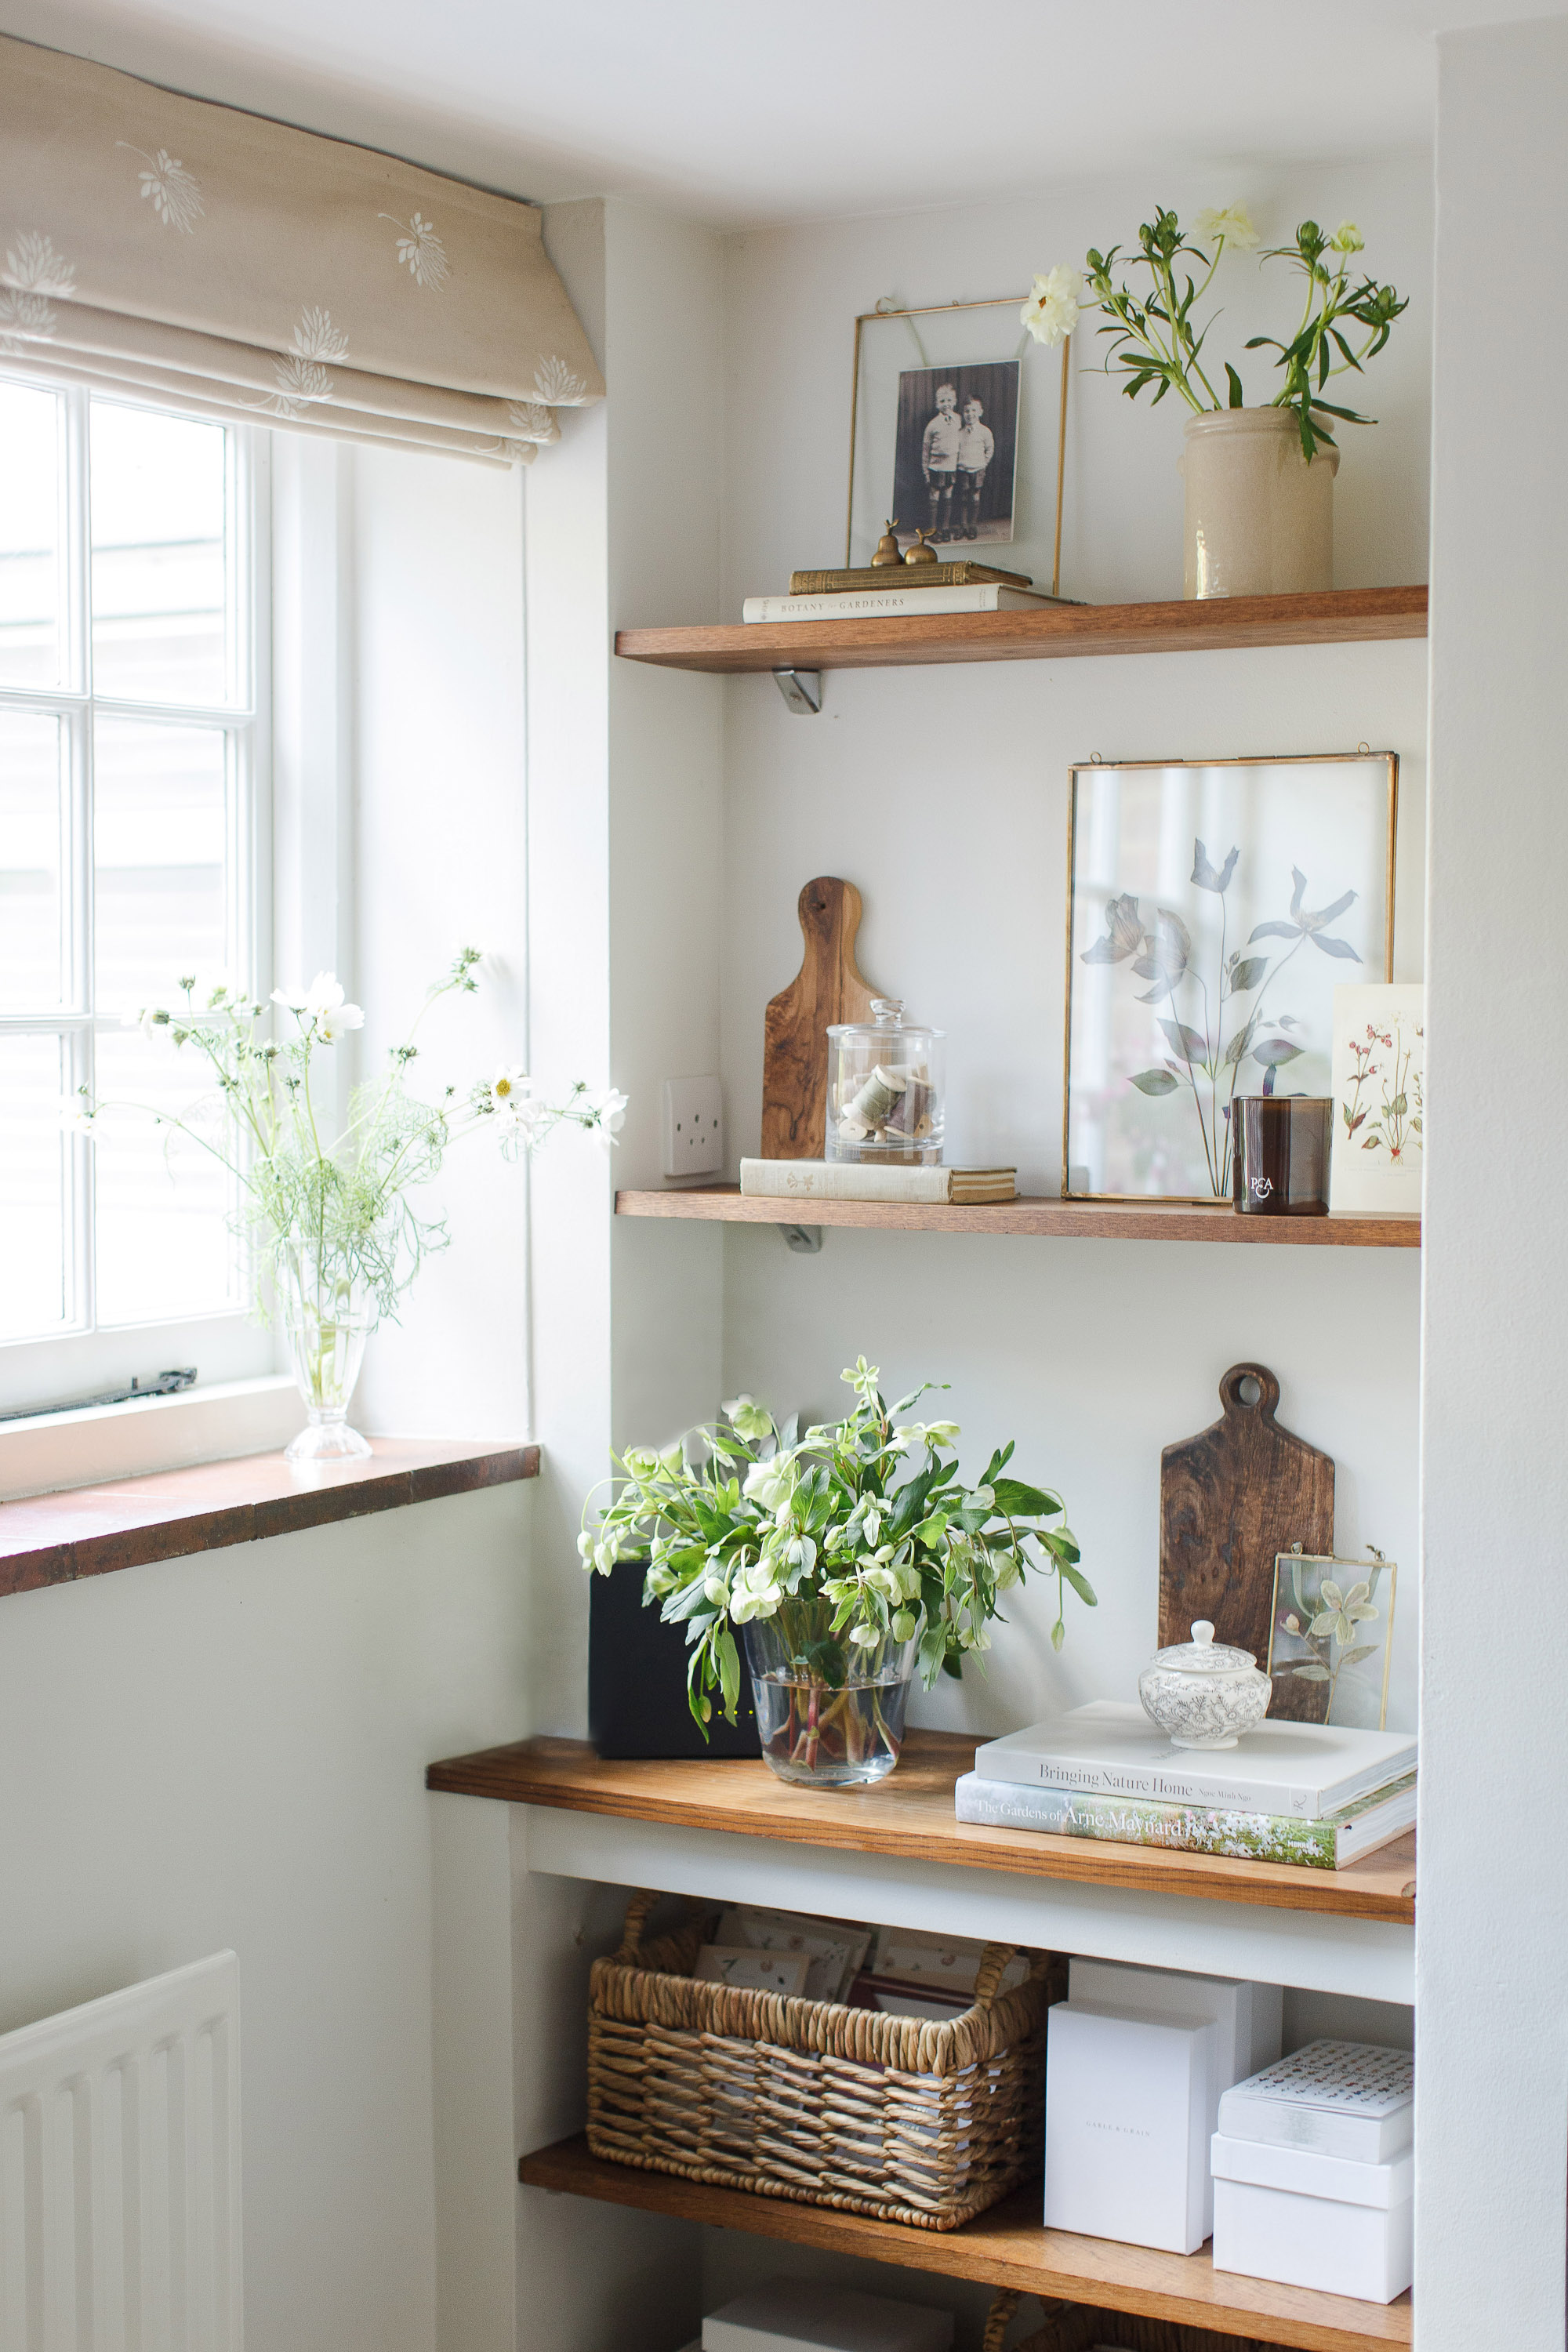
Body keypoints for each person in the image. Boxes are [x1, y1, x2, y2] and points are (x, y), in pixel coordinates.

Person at [920, 383, 961, 541]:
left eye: (949, 400)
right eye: (942, 401)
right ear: (937, 404)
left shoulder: (959, 420)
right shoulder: (933, 425)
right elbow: (925, 450)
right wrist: (926, 471)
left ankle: (945, 528)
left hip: (951, 467)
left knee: (948, 495)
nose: (946, 404)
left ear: (955, 401)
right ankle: (932, 530)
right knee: (935, 496)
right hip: (936, 468)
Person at [956, 395, 995, 541]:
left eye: (973, 410)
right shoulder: (960, 433)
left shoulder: (985, 431)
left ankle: (972, 526)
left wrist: (983, 463)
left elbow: (990, 449)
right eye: (966, 411)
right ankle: (963, 526)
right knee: (963, 497)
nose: (970, 414)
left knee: (975, 496)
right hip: (963, 470)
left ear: (980, 412)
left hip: (978, 469)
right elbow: (957, 450)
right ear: (963, 413)